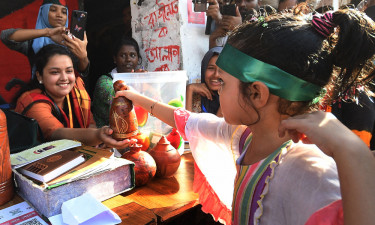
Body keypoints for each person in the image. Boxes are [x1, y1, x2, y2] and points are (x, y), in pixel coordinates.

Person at [114, 8, 375, 225]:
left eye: (223, 82)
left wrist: (351, 151)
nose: (217, 84)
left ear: (257, 93)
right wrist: (134, 96)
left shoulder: (309, 172)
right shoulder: (244, 137)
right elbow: (184, 119)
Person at [14, 44, 135, 149]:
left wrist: (96, 141)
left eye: (69, 71)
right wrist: (97, 135)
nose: (64, 78)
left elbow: (90, 123)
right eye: (55, 72)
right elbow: (57, 134)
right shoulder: (32, 101)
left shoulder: (77, 89)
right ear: (39, 76)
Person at [0, 0, 89, 78]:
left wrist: (83, 57)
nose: (59, 15)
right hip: (40, 91)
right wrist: (47, 32)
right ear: (44, 12)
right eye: (53, 10)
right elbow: (6, 36)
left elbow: (83, 71)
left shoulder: (70, 41)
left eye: (64, 12)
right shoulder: (34, 41)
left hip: (65, 92)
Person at [92, 37, 142, 128]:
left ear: (138, 59)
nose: (128, 59)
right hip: (105, 136)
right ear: (115, 59)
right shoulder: (105, 82)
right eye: (123, 55)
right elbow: (122, 105)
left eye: (133, 55)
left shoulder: (141, 79)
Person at [186, 47, 223, 116]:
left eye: (222, 69)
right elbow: (186, 124)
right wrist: (189, 89)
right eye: (211, 68)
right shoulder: (196, 96)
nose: (216, 75)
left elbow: (217, 126)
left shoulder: (237, 99)